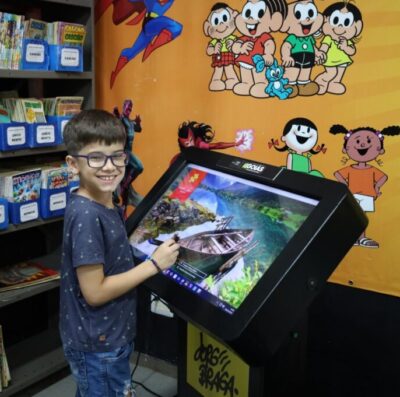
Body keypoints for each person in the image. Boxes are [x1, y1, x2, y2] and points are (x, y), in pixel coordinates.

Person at [60, 109, 180, 397]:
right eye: (96, 158)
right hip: (99, 343)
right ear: (73, 164)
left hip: (105, 336)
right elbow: (95, 292)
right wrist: (154, 264)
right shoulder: (87, 216)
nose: (110, 166)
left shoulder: (104, 199)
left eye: (117, 156)